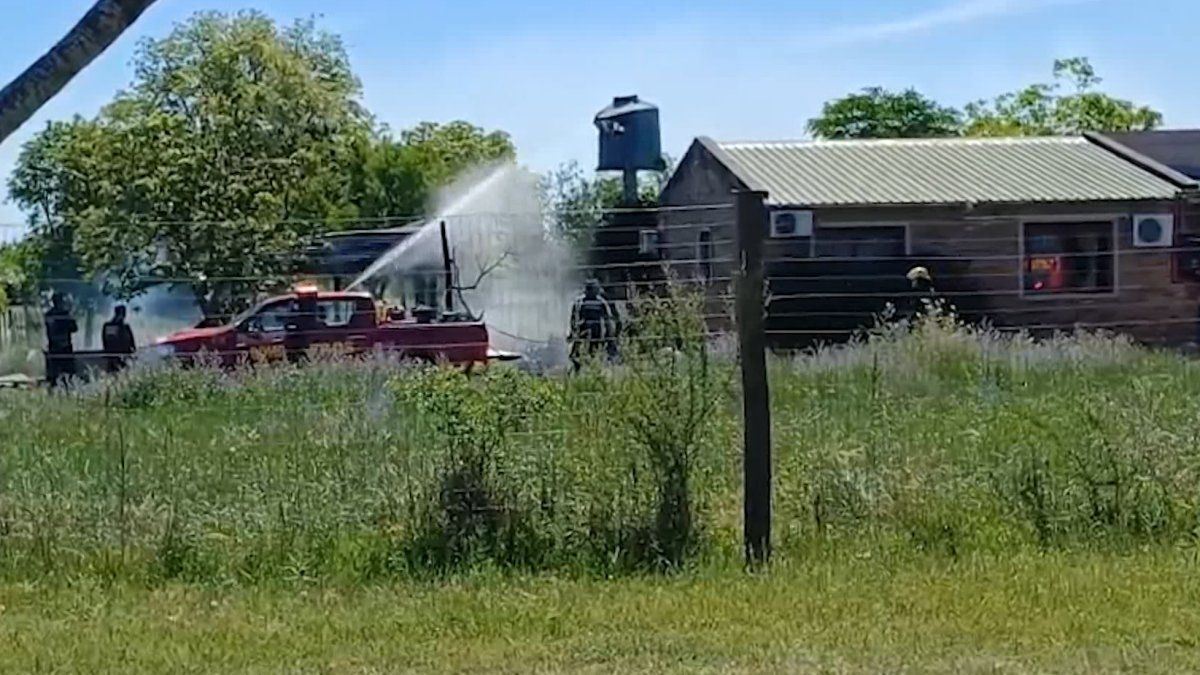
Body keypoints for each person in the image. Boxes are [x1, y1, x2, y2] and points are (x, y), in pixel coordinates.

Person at [569, 279, 620, 371]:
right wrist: (572, 333)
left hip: (596, 334)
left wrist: (610, 337)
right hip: (583, 333)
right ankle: (578, 374)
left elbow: (607, 320)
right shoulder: (580, 302)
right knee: (576, 357)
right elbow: (574, 319)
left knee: (594, 356)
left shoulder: (600, 302)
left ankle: (593, 373)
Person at [43, 292, 78, 388]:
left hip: (53, 347)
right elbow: (74, 328)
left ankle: (55, 389)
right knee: (68, 373)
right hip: (64, 346)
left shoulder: (48, 315)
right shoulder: (65, 314)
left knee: (54, 374)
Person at [101, 305, 136, 374]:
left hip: (118, 355)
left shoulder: (110, 326)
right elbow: (111, 340)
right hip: (117, 355)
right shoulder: (113, 326)